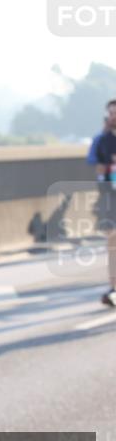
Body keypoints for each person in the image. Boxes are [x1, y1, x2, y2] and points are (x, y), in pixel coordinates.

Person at [89, 99, 116, 307]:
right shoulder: (103, 140)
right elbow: (97, 166)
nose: (113, 118)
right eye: (111, 114)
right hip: (111, 196)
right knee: (112, 242)